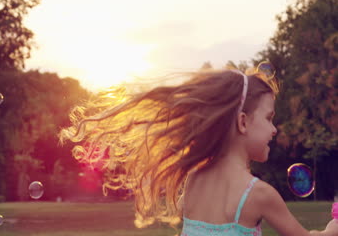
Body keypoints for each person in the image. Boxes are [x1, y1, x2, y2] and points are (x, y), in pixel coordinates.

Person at [59, 66, 338, 236]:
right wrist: (333, 227)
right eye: (268, 118)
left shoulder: (194, 180)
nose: (275, 129)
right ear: (242, 122)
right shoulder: (258, 194)